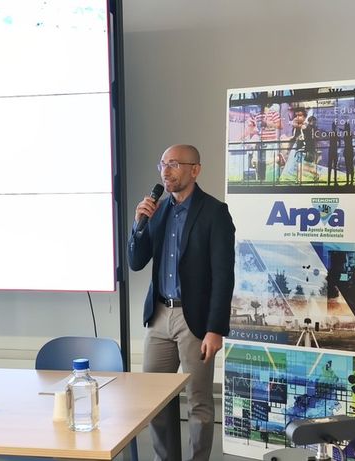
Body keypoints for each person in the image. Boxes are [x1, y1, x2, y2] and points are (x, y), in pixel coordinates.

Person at [128, 144, 235, 461]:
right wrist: (138, 225)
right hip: (160, 314)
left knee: (198, 401)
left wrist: (215, 329)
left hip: (196, 320)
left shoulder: (214, 212)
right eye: (162, 164)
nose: (166, 170)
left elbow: (223, 276)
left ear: (195, 170)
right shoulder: (157, 211)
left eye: (174, 164)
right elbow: (136, 262)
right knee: (155, 399)